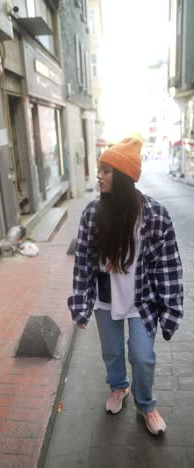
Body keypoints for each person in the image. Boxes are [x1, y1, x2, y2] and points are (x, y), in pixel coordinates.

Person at [68, 137, 184, 435]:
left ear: (122, 176)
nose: (99, 176)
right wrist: (81, 304)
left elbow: (168, 265)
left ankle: (146, 404)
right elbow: (83, 262)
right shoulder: (93, 214)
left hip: (142, 300)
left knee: (142, 356)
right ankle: (118, 386)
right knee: (113, 352)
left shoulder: (154, 215)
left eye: (106, 170)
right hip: (106, 299)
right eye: (100, 169)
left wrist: (170, 308)